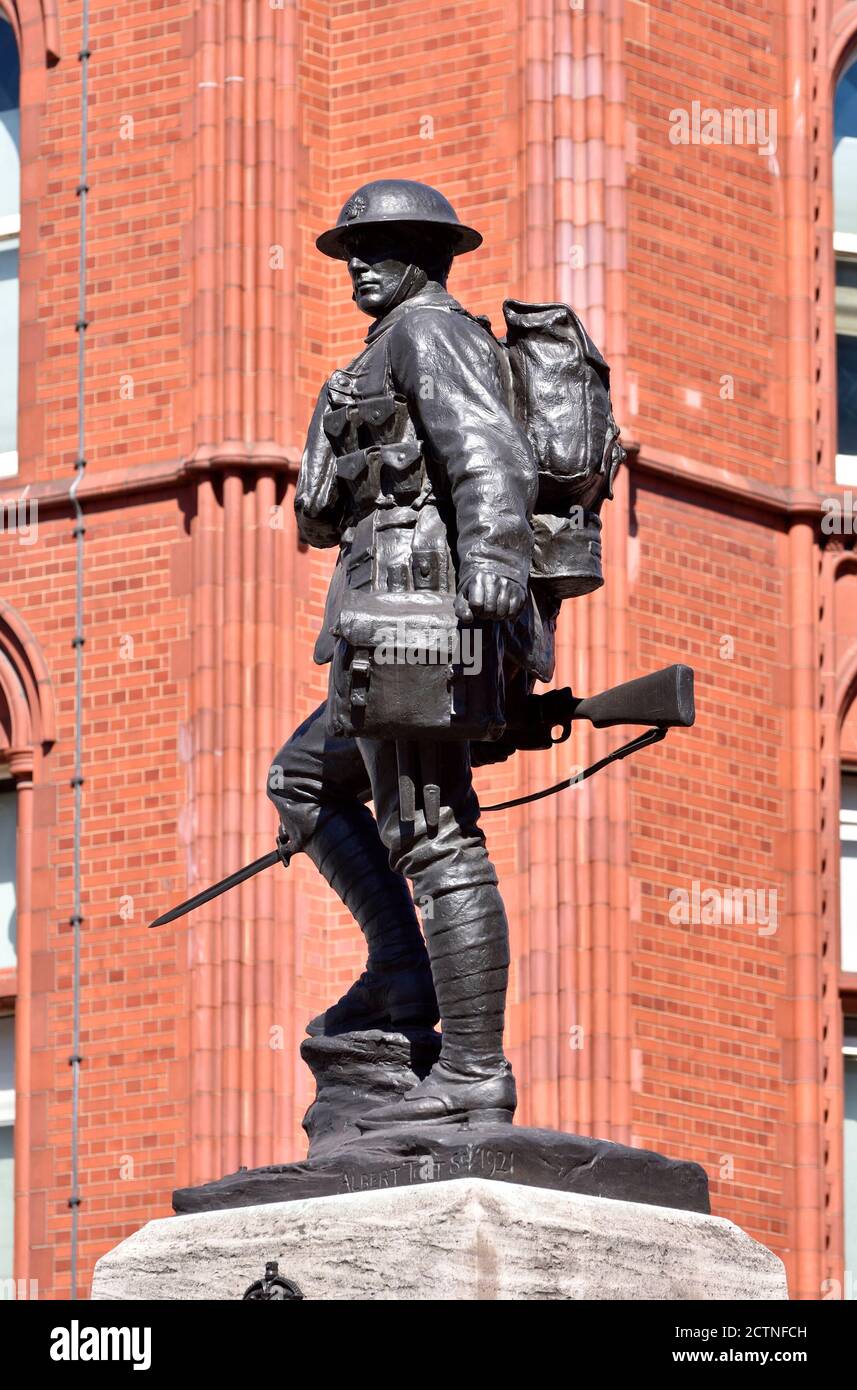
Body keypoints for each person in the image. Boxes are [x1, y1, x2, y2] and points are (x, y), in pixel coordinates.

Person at [267, 179, 546, 1127]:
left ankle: (470, 1070)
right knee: (303, 778)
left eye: (379, 245)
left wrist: (498, 557)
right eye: (351, 246)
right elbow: (313, 514)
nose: (357, 261)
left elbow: (489, 452)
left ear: (428, 253)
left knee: (435, 831)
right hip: (380, 615)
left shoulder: (432, 333)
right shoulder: (377, 351)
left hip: (429, 616)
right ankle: (400, 977)